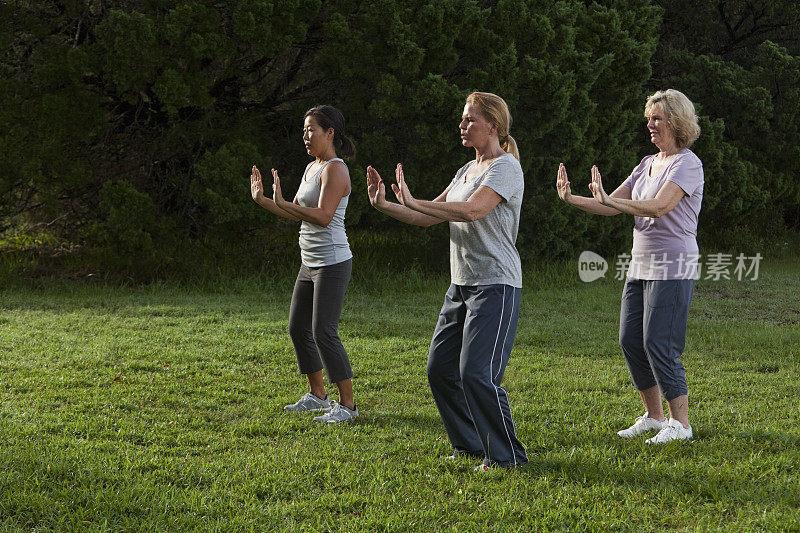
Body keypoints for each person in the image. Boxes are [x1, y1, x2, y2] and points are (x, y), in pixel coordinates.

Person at [366, 92, 528, 470]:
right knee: (440, 369)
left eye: (470, 119)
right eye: (462, 119)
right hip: (460, 286)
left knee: (478, 374)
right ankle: (470, 444)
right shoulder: (463, 172)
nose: (462, 125)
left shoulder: (505, 168)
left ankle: (507, 458)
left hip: (496, 284)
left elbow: (472, 211)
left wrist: (415, 200)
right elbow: (428, 217)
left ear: (494, 125)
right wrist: (386, 205)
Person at [556, 89, 704, 443]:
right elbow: (611, 205)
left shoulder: (687, 163)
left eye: (657, 119)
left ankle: (680, 423)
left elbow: (658, 206)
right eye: (648, 119)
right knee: (630, 341)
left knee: (659, 343)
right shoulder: (646, 163)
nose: (650, 125)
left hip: (673, 265)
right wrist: (572, 198)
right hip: (640, 266)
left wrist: (611, 200)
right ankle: (654, 417)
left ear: (677, 122)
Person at [250, 105, 358, 424]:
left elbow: (324, 217)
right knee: (298, 328)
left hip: (333, 262)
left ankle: (348, 406)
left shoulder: (335, 170)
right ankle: (317, 396)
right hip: (309, 262)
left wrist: (282, 203)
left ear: (330, 133)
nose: (306, 136)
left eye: (312, 129)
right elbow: (292, 211)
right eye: (304, 130)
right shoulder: (311, 168)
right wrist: (263, 200)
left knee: (323, 331)